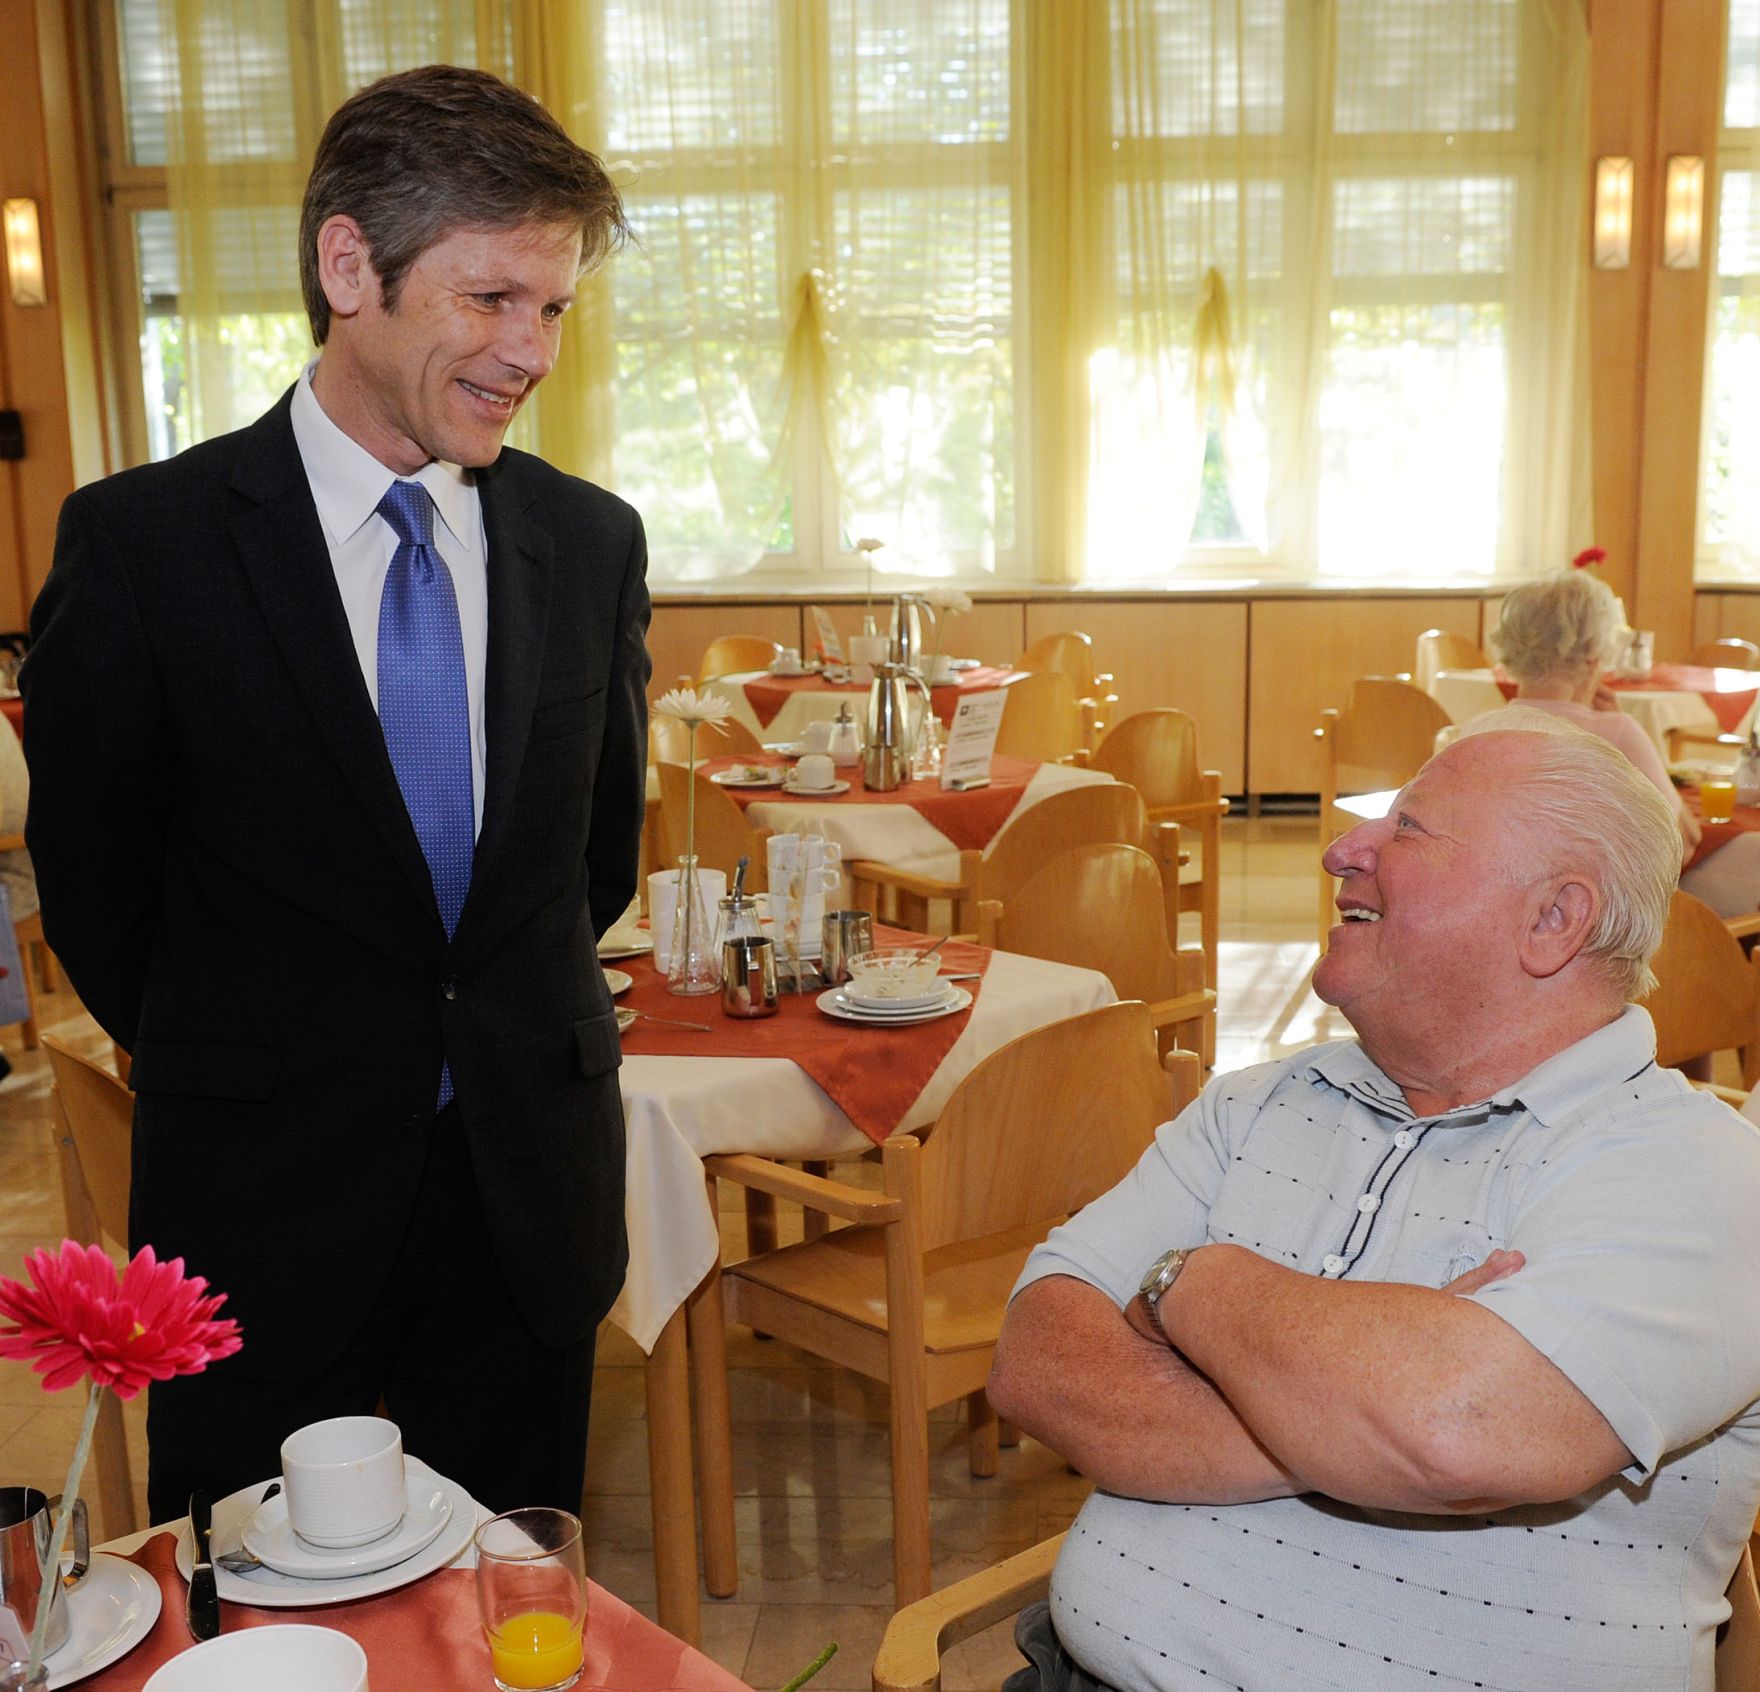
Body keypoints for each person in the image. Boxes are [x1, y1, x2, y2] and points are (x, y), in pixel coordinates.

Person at [22, 65, 650, 1519]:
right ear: (349, 263)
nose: (530, 350)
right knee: (259, 1630)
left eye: (552, 309)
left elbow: (588, 865)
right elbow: (103, 896)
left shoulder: (589, 542)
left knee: (509, 1611)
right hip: (259, 1208)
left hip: (524, 1211)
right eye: (491, 299)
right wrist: (269, 1057)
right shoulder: (143, 549)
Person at [988, 714, 1760, 1692]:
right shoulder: (1256, 1103)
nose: (1337, 851)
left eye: (1407, 829)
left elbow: (1459, 1432)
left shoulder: (1699, 1173)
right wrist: (1352, 1418)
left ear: (1552, 920)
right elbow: (1035, 1362)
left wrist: (1192, 1284)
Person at [1485, 566, 1760, 917]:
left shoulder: (1476, 730)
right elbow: (1682, 843)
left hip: (1505, 916)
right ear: (1592, 657)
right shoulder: (1615, 733)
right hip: (1603, 931)